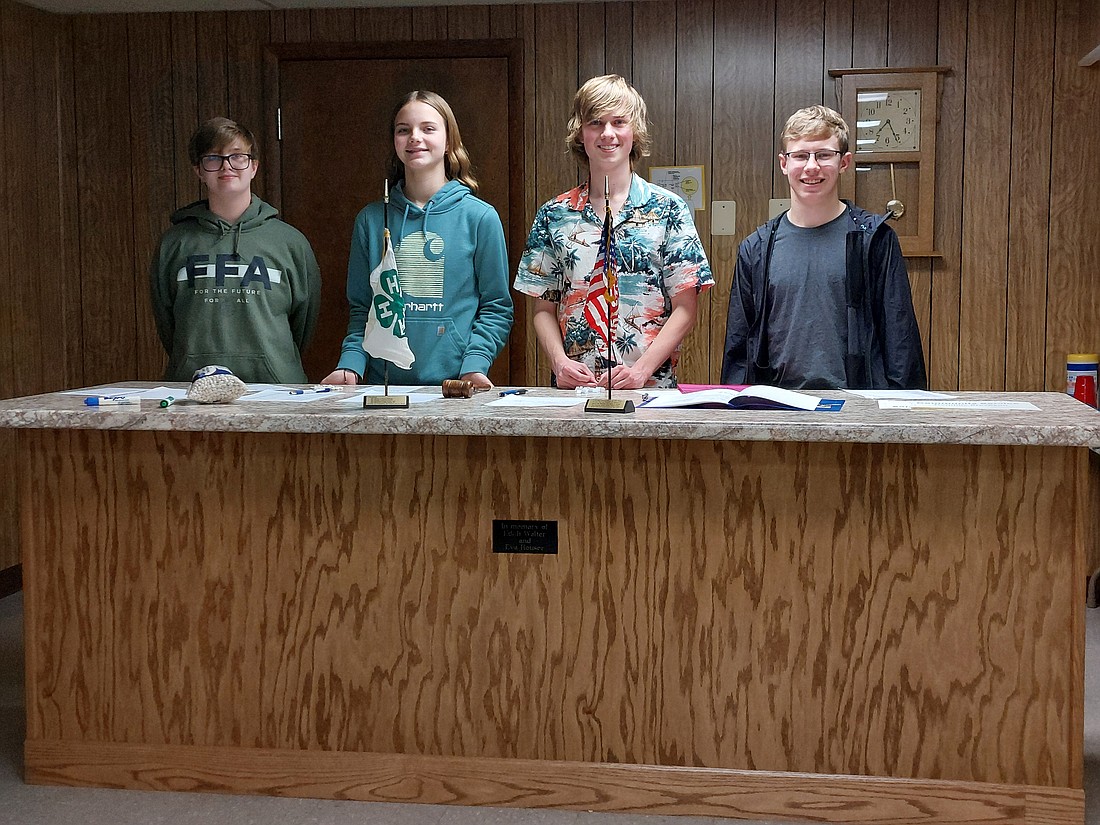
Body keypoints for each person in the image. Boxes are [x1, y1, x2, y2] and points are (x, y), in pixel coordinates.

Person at [514, 74, 713, 390]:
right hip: (575, 390)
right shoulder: (554, 214)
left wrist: (641, 371)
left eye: (619, 122)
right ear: (581, 133)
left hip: (649, 390)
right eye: (596, 123)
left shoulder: (669, 209)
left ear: (635, 132)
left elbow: (686, 308)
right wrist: (559, 361)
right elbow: (543, 307)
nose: (608, 134)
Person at [720, 105, 927, 390]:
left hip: (859, 409)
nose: (812, 166)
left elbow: (900, 339)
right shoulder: (756, 249)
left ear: (844, 162)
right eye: (801, 155)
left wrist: (900, 413)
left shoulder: (874, 240)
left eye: (824, 155)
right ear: (784, 163)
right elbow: (739, 348)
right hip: (780, 409)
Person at [322, 91, 513, 388]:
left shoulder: (480, 218)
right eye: (403, 130)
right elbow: (362, 307)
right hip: (381, 386)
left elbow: (496, 307)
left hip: (455, 386)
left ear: (448, 141)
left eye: (428, 128)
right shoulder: (371, 220)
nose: (414, 137)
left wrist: (475, 364)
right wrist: (350, 364)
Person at [150, 117, 321, 384]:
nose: (226, 166)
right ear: (199, 170)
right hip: (191, 388)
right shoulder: (175, 243)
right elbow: (166, 321)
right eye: (213, 158)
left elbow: (304, 323)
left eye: (237, 156)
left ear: (253, 166)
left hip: (277, 389)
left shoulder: (290, 242)